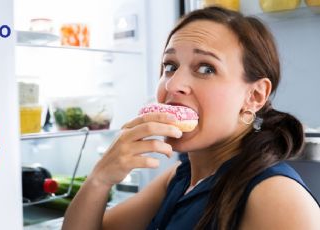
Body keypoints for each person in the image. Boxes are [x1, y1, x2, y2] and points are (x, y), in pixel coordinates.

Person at [61, 6, 320, 230]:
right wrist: (99, 179)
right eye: (170, 66)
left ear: (254, 95)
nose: (174, 84)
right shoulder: (182, 176)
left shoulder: (277, 197)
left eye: (206, 68)